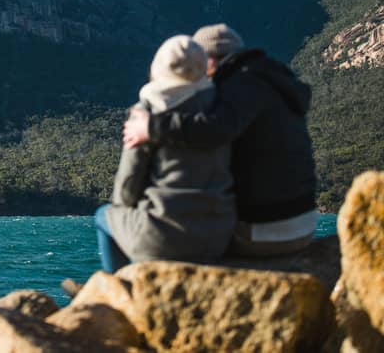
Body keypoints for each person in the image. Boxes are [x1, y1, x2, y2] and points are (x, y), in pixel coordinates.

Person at [123, 23, 317, 256]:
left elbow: (214, 128)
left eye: (199, 64)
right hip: (304, 223)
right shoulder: (270, 78)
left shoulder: (241, 84)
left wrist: (151, 126)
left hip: (263, 230)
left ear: (210, 60)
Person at [96, 35, 236, 271]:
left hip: (163, 238)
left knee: (104, 215)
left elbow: (127, 186)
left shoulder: (147, 113)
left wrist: (127, 207)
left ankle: (120, 286)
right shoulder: (221, 109)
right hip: (217, 236)